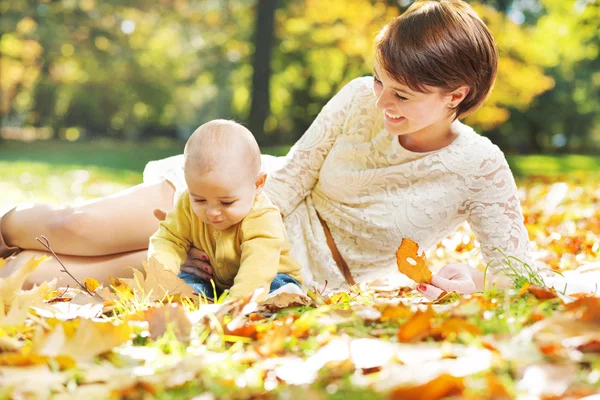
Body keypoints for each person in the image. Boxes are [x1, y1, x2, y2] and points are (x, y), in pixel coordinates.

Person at [0, 0, 533, 301]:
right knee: (76, 228)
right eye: (379, 82)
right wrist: (223, 224)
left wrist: (480, 278)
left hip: (282, 266)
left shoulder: (480, 169)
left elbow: (522, 270)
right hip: (238, 197)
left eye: (402, 95)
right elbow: (294, 176)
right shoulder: (356, 99)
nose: (382, 102)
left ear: (456, 95)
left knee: (42, 275)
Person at [149, 119, 302, 301]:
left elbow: (258, 268)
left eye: (226, 202)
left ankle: (276, 298)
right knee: (185, 287)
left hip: (267, 277)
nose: (212, 212)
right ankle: (199, 301)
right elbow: (168, 240)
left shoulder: (263, 217)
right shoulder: (186, 204)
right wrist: (163, 280)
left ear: (257, 184)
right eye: (199, 199)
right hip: (214, 281)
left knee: (277, 289)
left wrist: (236, 304)